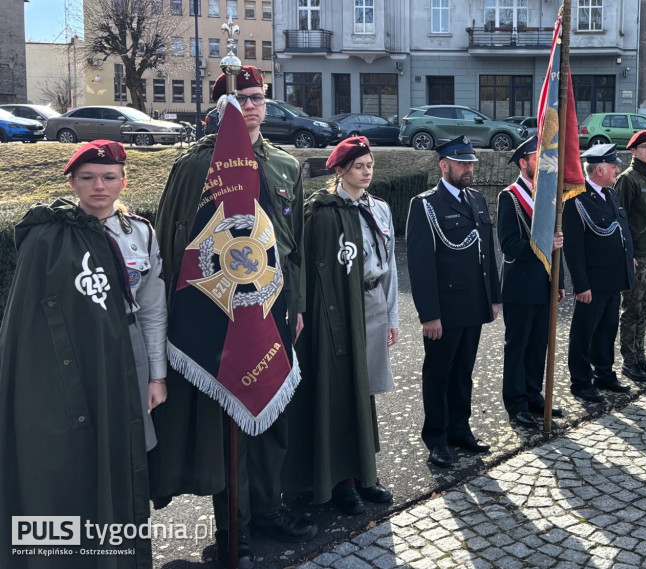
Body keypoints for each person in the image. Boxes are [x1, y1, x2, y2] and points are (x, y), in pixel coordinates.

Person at [149, 66, 315, 569]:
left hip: (274, 306)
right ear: (223, 105)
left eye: (258, 96)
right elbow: (172, 239)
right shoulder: (196, 166)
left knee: (273, 418)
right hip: (220, 310)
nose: (252, 105)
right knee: (229, 429)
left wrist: (299, 304)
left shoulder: (286, 165)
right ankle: (234, 530)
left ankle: (267, 510)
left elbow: (296, 247)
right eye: (240, 97)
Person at [0, 140, 158, 568]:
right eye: (87, 177)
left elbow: (153, 307)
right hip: (76, 361)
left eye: (109, 177)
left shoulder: (140, 231)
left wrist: (157, 375)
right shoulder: (50, 236)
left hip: (128, 354)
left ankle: (125, 552)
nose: (99, 186)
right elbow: (33, 314)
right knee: (80, 456)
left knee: (126, 454)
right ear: (72, 182)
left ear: (125, 181)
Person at [284, 136, 396, 516]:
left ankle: (365, 470)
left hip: (371, 304)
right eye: (359, 167)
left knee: (365, 392)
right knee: (340, 390)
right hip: (336, 311)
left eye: (370, 166)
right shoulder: (323, 212)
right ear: (340, 170)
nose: (366, 173)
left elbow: (389, 267)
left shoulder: (379, 209)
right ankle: (343, 480)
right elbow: (313, 268)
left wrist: (392, 317)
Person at [406, 135, 500, 469]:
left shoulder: (475, 199)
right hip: (445, 310)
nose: (469, 168)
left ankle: (460, 429)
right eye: (461, 163)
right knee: (438, 374)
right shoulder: (426, 204)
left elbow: (488, 253)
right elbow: (420, 265)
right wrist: (429, 315)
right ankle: (436, 438)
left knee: (463, 372)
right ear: (444, 165)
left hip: (473, 305)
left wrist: (494, 298)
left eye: (471, 163)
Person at [496, 136, 565, 428]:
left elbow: (559, 245)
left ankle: (534, 395)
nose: (545, 162)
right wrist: (543, 245)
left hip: (545, 283)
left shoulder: (547, 195)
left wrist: (560, 281)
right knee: (519, 346)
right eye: (538, 157)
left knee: (539, 344)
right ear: (523, 162)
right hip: (520, 285)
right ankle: (516, 403)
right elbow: (508, 243)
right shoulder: (509, 196)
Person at [564, 144, 635, 403]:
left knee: (607, 329)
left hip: (613, 278)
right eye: (614, 165)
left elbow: (620, 233)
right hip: (592, 282)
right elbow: (573, 249)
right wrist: (581, 285)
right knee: (584, 333)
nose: (617, 169)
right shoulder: (577, 199)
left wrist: (629, 262)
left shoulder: (609, 194)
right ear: (600, 169)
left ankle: (604, 373)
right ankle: (581, 381)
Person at [615, 130, 646, 383]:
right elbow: (620, 220)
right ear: (633, 151)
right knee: (631, 310)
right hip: (636, 256)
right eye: (644, 147)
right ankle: (629, 361)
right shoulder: (628, 179)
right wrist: (628, 253)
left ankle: (641, 356)